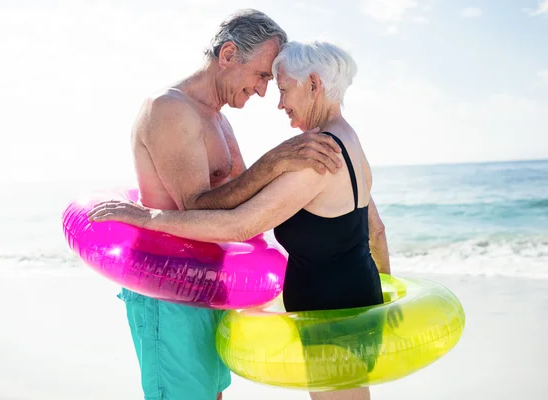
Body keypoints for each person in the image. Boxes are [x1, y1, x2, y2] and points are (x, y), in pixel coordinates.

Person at [89, 40, 394, 400]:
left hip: (331, 311)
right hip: (353, 296)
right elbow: (375, 230)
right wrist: (385, 296)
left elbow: (241, 225)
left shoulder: (318, 157)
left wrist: (148, 218)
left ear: (313, 85)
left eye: (282, 88)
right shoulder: (349, 142)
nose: (278, 101)